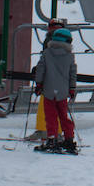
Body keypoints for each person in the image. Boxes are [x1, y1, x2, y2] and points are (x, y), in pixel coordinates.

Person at [33, 21, 78, 154]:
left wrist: (39, 84)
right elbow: (72, 74)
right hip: (63, 92)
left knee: (51, 116)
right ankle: (69, 139)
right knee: (63, 115)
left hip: (48, 90)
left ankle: (52, 139)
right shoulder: (70, 56)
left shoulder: (47, 53)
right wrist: (72, 88)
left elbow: (41, 69)